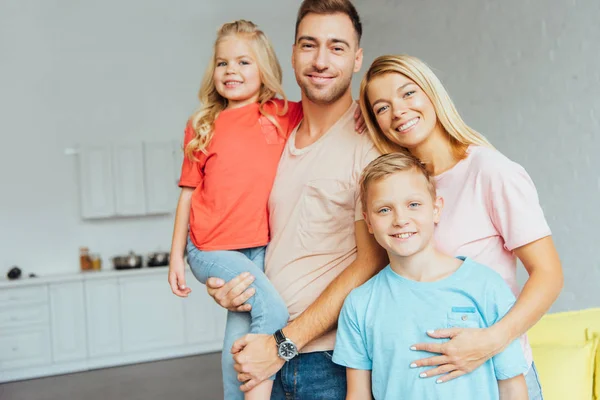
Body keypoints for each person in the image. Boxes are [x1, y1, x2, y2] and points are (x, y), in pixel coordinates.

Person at [205, 1, 388, 398]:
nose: (321, 60)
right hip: (263, 352)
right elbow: (245, 230)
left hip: (328, 362)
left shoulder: (371, 144)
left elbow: (373, 259)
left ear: (357, 59)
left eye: (337, 48)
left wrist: (284, 343)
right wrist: (225, 281)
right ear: (292, 54)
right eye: (309, 45)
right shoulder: (270, 134)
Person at [358, 54, 563, 399]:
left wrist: (490, 342)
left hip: (496, 378)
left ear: (431, 93)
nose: (398, 112)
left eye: (408, 93)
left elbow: (549, 274)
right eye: (382, 108)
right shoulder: (399, 190)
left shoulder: (490, 171)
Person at [167, 20, 304, 400]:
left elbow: (333, 112)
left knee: (237, 338)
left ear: (264, 69)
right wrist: (176, 256)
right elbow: (187, 194)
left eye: (244, 62)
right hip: (210, 249)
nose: (231, 71)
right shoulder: (202, 125)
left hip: (258, 249)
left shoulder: (281, 113)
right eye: (223, 63)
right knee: (274, 314)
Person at [333, 152, 529, 400]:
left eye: (413, 205)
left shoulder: (486, 287)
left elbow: (512, 389)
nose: (400, 220)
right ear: (368, 223)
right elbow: (358, 395)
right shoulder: (360, 304)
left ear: (436, 210)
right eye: (384, 210)